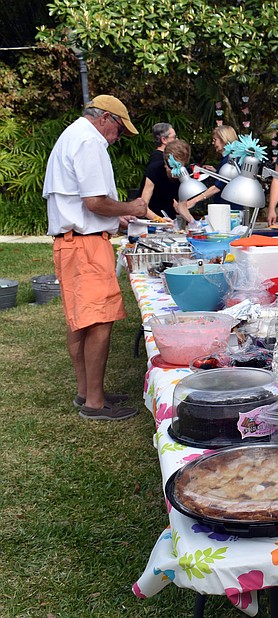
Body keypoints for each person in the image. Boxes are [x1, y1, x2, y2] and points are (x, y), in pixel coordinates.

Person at [43, 95, 148, 421]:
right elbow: (94, 201)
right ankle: (94, 403)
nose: (118, 138)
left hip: (72, 242)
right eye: (119, 130)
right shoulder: (89, 141)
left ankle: (87, 392)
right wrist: (131, 208)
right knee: (99, 320)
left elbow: (83, 204)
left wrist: (116, 219)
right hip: (86, 246)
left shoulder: (72, 135)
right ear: (105, 118)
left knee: (81, 322)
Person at [178, 124, 238, 217]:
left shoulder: (229, 161)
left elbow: (218, 186)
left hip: (229, 209)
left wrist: (193, 201)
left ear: (224, 139)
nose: (213, 143)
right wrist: (215, 172)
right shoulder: (231, 158)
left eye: (215, 140)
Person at [139, 122, 179, 219]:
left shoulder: (160, 159)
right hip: (156, 214)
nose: (177, 140)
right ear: (164, 140)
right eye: (174, 137)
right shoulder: (158, 161)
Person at [146, 139, 192, 221]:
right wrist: (160, 220)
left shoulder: (185, 174)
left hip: (170, 217)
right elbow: (143, 206)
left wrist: (193, 222)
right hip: (149, 218)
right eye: (172, 167)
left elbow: (182, 206)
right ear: (165, 163)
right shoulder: (154, 170)